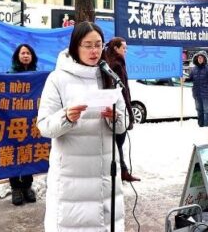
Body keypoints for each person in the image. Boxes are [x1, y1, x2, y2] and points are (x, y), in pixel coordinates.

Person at [37, 21, 126, 231]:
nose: (94, 51)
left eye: (98, 44)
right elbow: (44, 127)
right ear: (75, 46)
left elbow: (124, 125)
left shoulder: (108, 76)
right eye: (88, 45)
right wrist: (66, 117)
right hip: (71, 178)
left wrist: (115, 118)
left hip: (105, 174)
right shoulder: (57, 79)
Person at [105, 37, 140, 182]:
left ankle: (123, 171)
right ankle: (121, 172)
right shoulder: (115, 65)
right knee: (118, 142)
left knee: (118, 143)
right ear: (115, 48)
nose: (125, 50)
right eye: (123, 48)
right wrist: (128, 111)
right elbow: (121, 91)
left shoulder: (115, 63)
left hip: (120, 106)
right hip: (118, 107)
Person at [8, 44, 38, 206]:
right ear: (17, 56)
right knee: (13, 155)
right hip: (13, 120)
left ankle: (27, 186)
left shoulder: (37, 75)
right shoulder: (10, 75)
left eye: (28, 53)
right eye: (23, 53)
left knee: (29, 152)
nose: (25, 55)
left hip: (30, 121)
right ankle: (15, 188)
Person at [185, 51, 208, 127]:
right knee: (199, 110)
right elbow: (190, 78)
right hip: (197, 94)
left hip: (206, 94)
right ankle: (200, 126)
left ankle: (206, 126)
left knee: (207, 111)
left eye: (201, 58)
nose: (199, 59)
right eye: (198, 58)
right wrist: (184, 79)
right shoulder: (194, 69)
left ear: (204, 59)